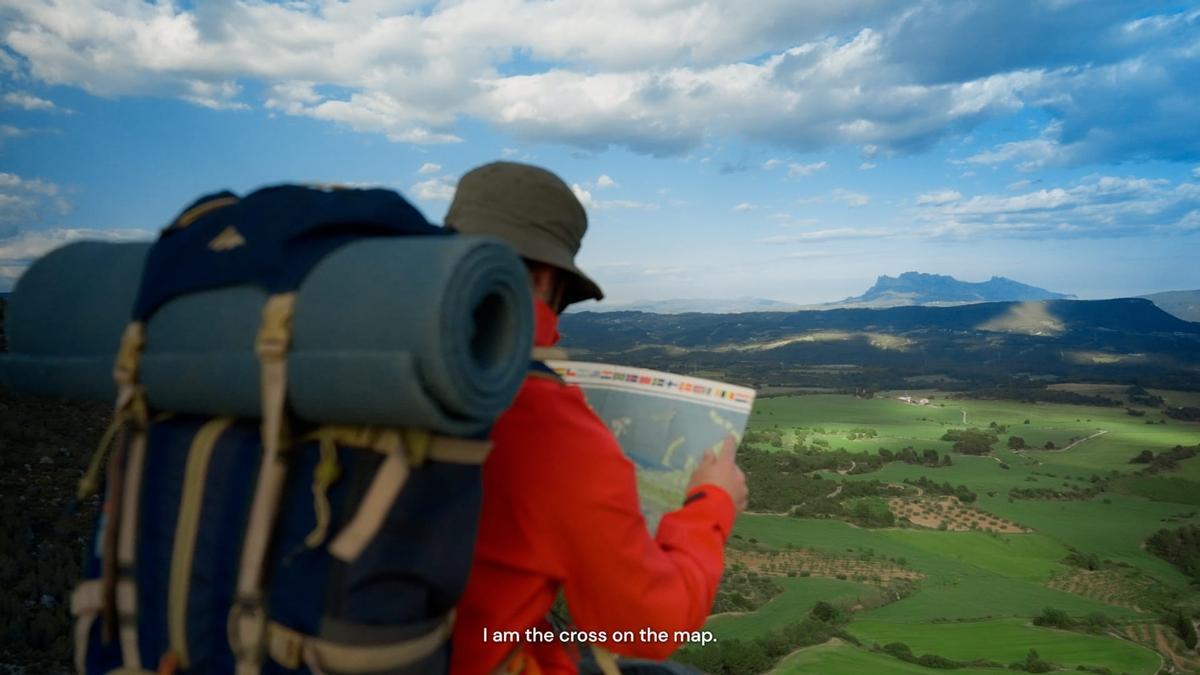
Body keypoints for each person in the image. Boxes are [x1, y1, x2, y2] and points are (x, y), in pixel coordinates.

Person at [443, 161, 748, 674]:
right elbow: (642, 627)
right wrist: (711, 502)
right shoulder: (545, 419)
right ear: (545, 278)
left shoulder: (333, 362)